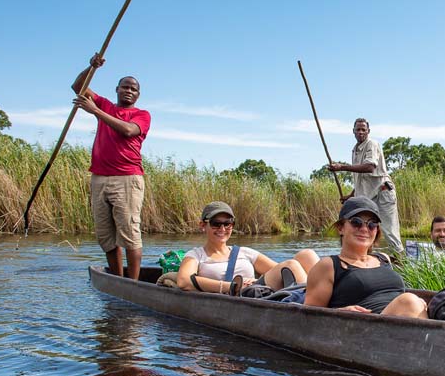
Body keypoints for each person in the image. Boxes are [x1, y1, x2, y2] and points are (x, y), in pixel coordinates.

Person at [72, 53, 151, 280]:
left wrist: (96, 111)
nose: (129, 91)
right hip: (99, 177)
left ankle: (133, 283)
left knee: (129, 233)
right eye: (125, 87)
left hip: (127, 178)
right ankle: (117, 279)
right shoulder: (107, 105)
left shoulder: (141, 115)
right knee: (106, 236)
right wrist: (92, 68)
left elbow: (128, 130)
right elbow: (78, 87)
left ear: (138, 95)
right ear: (117, 89)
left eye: (133, 89)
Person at [304, 196, 427, 317]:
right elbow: (308, 317)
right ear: (341, 228)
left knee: (416, 302)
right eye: (356, 222)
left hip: (402, 317)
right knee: (409, 301)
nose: (364, 229)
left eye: (372, 224)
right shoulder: (328, 266)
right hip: (362, 326)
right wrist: (339, 312)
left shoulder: (383, 258)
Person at [176, 201, 319, 294]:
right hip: (245, 295)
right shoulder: (196, 255)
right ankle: (311, 304)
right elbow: (184, 281)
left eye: (228, 223)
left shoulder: (244, 252)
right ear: (203, 225)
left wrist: (255, 281)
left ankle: (324, 298)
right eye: (216, 224)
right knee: (291, 265)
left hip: (259, 289)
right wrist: (232, 286)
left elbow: (277, 270)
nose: (222, 229)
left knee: (307, 255)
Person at [326, 118, 402, 255]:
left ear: (368, 131)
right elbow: (362, 179)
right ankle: (366, 260)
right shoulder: (355, 150)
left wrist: (341, 167)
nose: (360, 132)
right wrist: (351, 196)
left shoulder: (371, 144)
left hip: (382, 192)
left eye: (363, 130)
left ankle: (401, 261)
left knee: (389, 231)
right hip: (369, 196)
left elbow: (369, 167)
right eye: (358, 129)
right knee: (366, 229)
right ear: (353, 131)